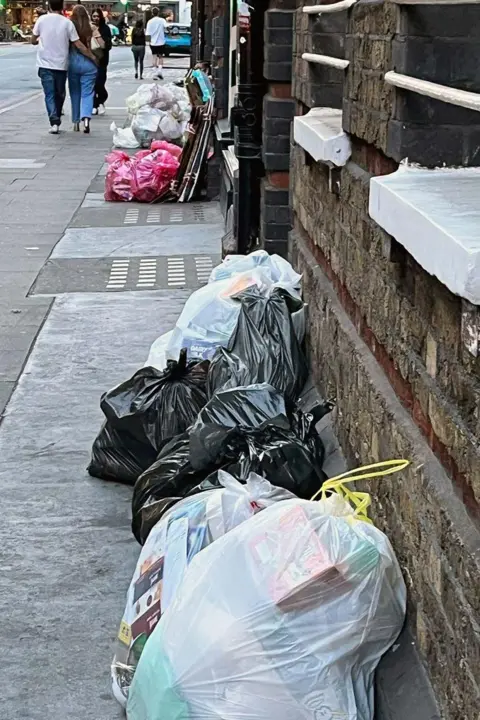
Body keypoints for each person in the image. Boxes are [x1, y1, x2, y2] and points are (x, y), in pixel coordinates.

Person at [32, 0, 93, 134]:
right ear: (63, 7)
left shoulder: (41, 20)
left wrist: (41, 40)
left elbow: (33, 39)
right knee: (60, 93)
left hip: (44, 63)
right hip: (61, 64)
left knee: (49, 94)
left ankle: (54, 122)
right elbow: (78, 44)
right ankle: (56, 117)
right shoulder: (67, 23)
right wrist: (92, 57)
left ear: (49, 6)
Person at [68, 5, 98, 133]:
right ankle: (86, 118)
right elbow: (101, 44)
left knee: (75, 93)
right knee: (88, 93)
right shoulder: (91, 28)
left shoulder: (69, 27)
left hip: (73, 63)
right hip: (89, 64)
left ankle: (75, 122)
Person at [91, 8, 111, 115]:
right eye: (94, 16)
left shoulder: (105, 29)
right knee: (92, 84)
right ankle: (95, 105)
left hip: (102, 60)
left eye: (97, 16)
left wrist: (98, 35)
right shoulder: (89, 28)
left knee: (100, 83)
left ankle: (101, 100)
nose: (96, 18)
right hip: (91, 60)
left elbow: (107, 45)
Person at [145, 7, 167, 79]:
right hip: (161, 41)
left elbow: (147, 33)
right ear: (158, 12)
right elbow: (166, 27)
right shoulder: (162, 20)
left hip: (153, 42)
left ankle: (155, 72)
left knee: (154, 56)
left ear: (152, 13)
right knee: (160, 56)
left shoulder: (150, 21)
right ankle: (160, 70)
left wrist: (148, 42)